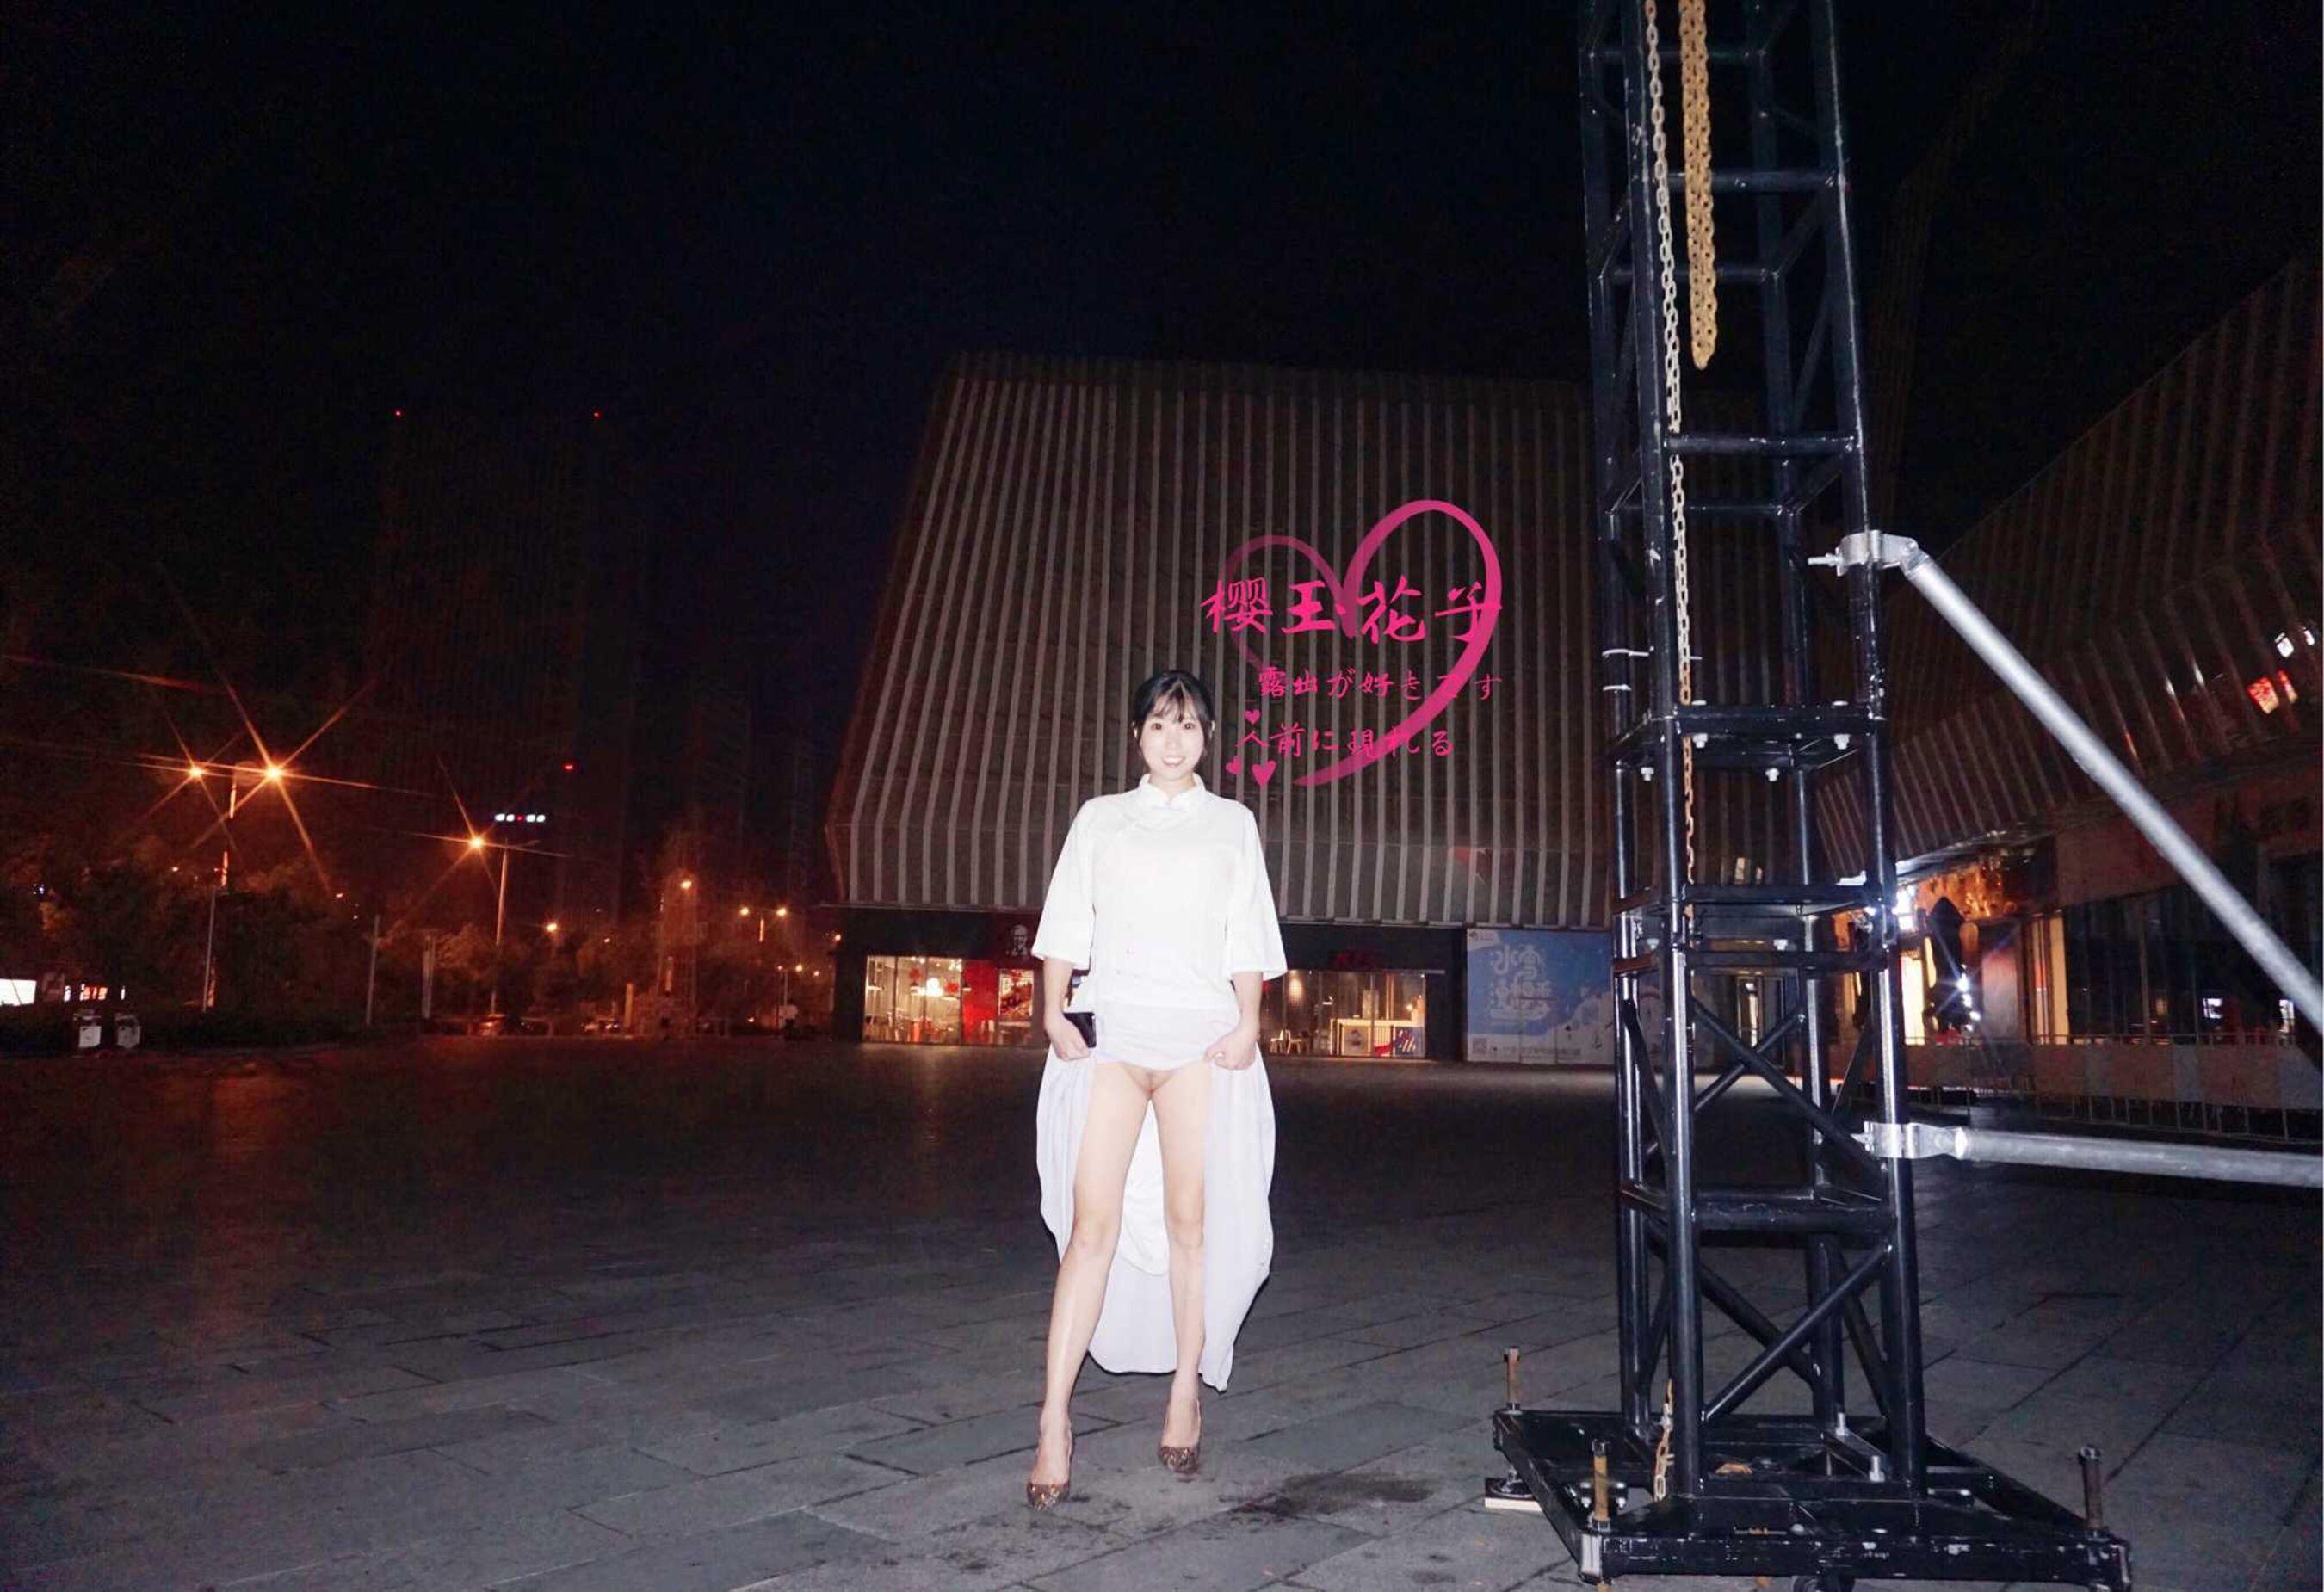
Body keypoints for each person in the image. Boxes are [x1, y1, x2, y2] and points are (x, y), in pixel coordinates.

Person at [1022, 668, 1287, 1509]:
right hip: (1117, 1039)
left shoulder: (1231, 824)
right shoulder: (1102, 818)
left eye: (1189, 725)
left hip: (1197, 1044)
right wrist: (1051, 1009)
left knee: (1188, 1224)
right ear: (1136, 734)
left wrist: (1249, 1020)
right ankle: (1053, 1419)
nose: (1174, 741)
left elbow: (1247, 931)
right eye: (1160, 725)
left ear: (1208, 736)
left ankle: (1184, 1391)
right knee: (1090, 1227)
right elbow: (1068, 917)